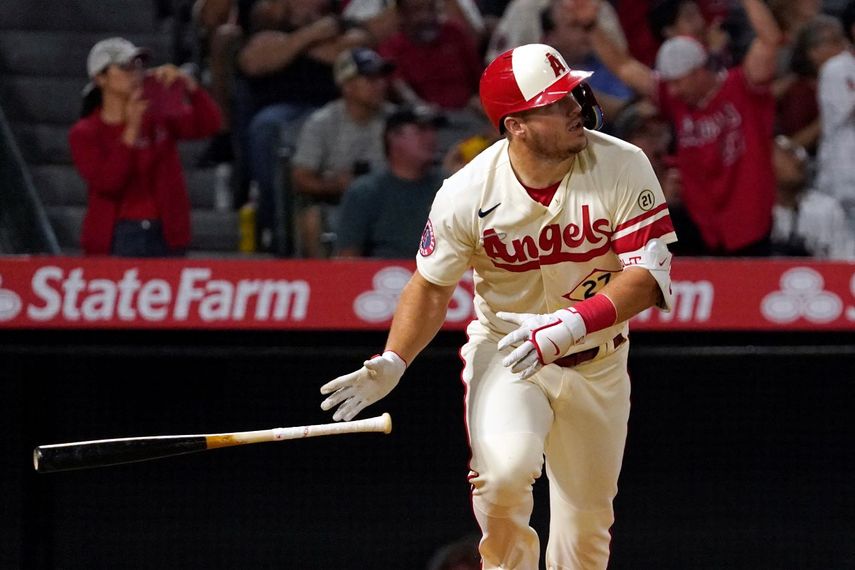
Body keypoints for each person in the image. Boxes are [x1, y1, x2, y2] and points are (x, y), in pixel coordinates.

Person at [320, 44, 677, 569]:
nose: (577, 105)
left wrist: (569, 324)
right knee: (505, 475)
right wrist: (396, 358)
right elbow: (431, 284)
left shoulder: (623, 163)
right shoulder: (466, 192)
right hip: (510, 354)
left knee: (585, 536)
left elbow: (646, 279)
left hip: (597, 359)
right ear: (517, 125)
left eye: (572, 92)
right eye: (556, 102)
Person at [578, 0, 783, 255]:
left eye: (678, 82)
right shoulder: (675, 99)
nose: (672, 90)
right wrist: (590, 25)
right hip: (701, 227)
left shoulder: (742, 87)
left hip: (750, 223)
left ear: (699, 71)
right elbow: (625, 66)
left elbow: (770, 41)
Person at [69, 37, 222, 256]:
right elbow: (109, 183)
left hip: (166, 230)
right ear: (100, 78)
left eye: (138, 65)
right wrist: (131, 130)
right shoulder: (85, 133)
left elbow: (209, 124)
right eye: (124, 67)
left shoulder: (159, 117)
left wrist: (190, 88)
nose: (134, 73)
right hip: (118, 234)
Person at [291, 47, 395, 258]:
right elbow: (300, 177)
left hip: (389, 202)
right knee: (311, 219)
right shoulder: (322, 123)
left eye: (381, 78)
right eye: (370, 79)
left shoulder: (394, 120)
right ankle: (324, 284)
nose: (380, 85)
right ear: (347, 86)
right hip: (338, 203)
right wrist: (335, 185)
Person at [335, 105, 447, 258]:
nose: (431, 137)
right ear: (394, 137)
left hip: (445, 276)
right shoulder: (366, 192)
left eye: (433, 130)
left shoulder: (450, 187)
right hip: (383, 277)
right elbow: (348, 257)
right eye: (421, 130)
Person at [800, 14, 855, 227]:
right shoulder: (836, 68)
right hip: (842, 177)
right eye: (833, 41)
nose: (840, 45)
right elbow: (848, 109)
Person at [770, 135, 855, 259]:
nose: (800, 161)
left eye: (800, 155)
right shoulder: (753, 212)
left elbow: (846, 260)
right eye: (789, 153)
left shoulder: (826, 208)